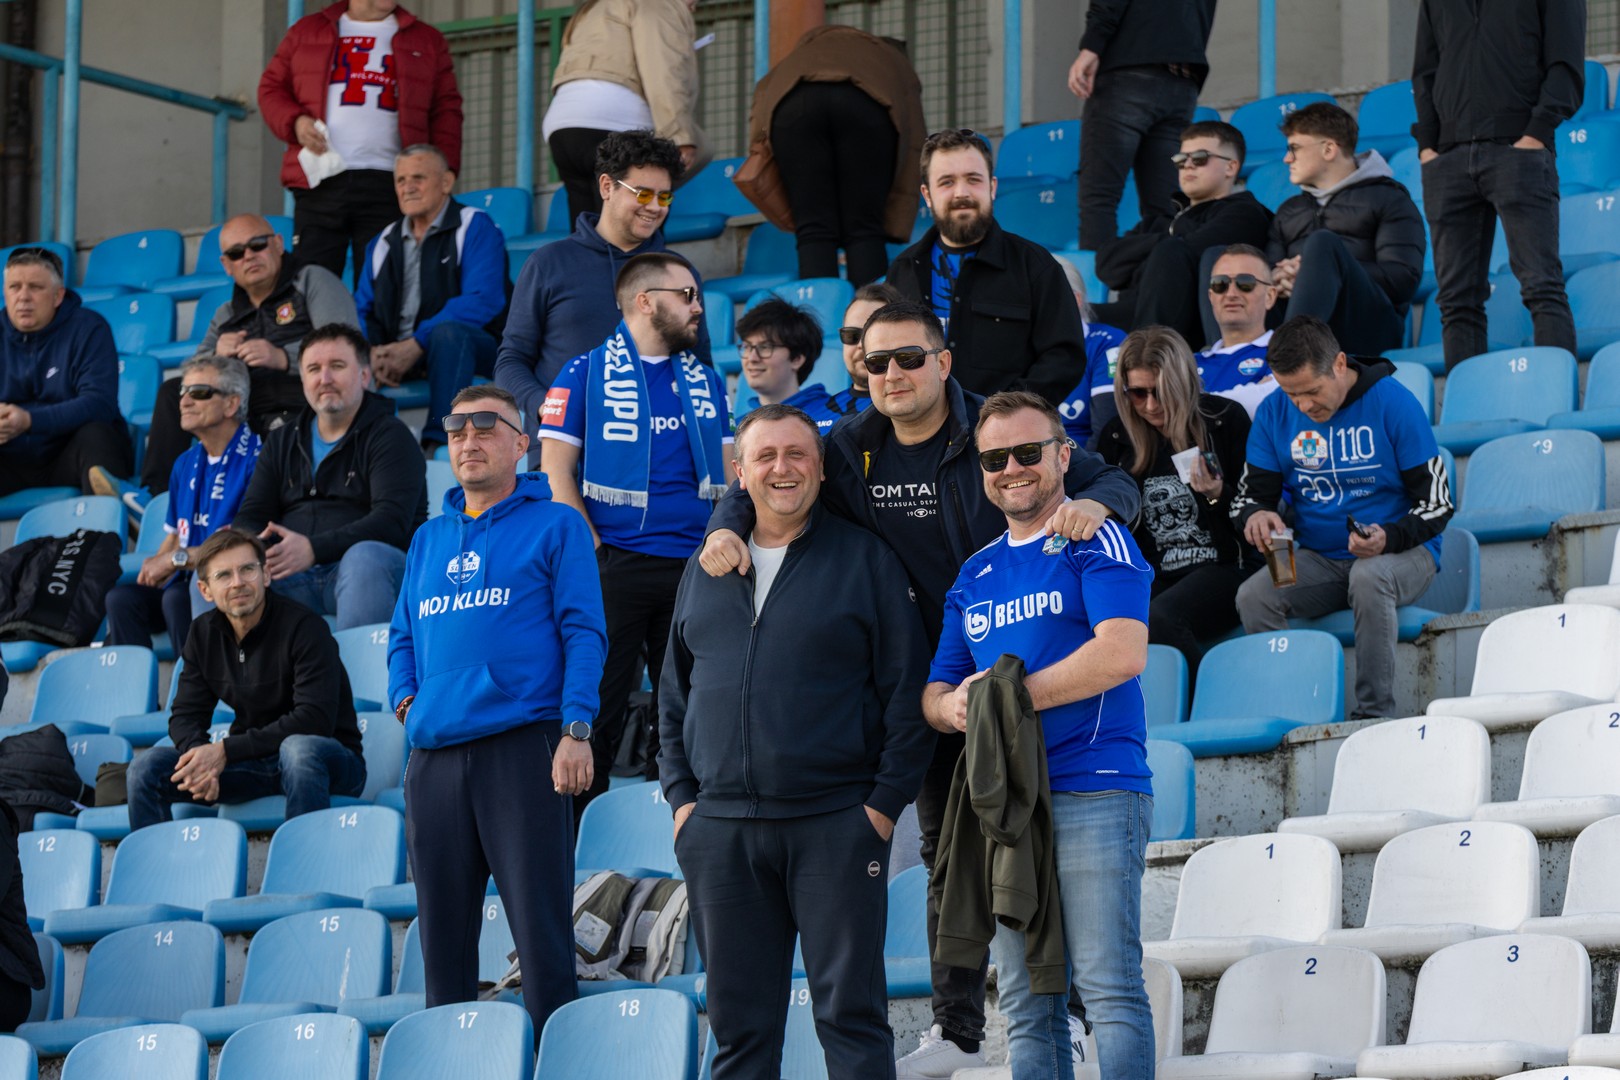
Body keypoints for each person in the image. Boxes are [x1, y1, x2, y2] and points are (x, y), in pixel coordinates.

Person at [698, 300, 1141, 1079]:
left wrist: (1098, 506)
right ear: (859, 371)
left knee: (1082, 945)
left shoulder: (995, 433)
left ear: (944, 361)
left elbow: (1100, 477)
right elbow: (770, 465)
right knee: (948, 858)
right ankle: (959, 1024)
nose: (894, 374)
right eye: (877, 362)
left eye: (910, 358)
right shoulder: (849, 447)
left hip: (1026, 669)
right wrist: (726, 524)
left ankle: (1067, 1016)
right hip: (932, 673)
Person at [661, 404, 933, 1080]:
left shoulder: (865, 559)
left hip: (834, 824)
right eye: (765, 456)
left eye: (797, 454)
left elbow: (908, 692)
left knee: (851, 1019)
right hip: (721, 832)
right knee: (738, 1034)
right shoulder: (704, 566)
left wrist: (881, 807)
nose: (782, 468)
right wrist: (683, 802)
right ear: (739, 470)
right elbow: (673, 692)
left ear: (820, 467)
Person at [925, 390, 1154, 1080]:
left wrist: (1007, 699)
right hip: (1008, 806)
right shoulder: (975, 572)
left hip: (1094, 786)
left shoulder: (1096, 535)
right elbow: (936, 692)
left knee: (1108, 987)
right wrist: (958, 709)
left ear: (1062, 456)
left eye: (1028, 452)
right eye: (995, 458)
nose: (1011, 469)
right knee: (1026, 1003)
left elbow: (1122, 653)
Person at [389, 384, 606, 1041]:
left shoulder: (557, 525)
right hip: (434, 758)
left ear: (522, 444)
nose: (469, 440)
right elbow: (402, 637)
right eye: (457, 429)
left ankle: (556, 1059)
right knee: (443, 946)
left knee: (540, 937)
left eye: (487, 427)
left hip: (523, 748)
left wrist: (576, 728)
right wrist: (408, 703)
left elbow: (585, 633)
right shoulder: (428, 539)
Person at [538, 253, 732, 813]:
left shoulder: (706, 381)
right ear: (645, 302)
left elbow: (730, 478)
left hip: (693, 568)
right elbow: (555, 475)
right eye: (686, 295)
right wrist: (594, 554)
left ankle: (671, 829)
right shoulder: (583, 373)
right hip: (614, 566)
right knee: (596, 708)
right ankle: (579, 839)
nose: (698, 307)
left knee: (685, 715)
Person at [1232, 315, 1453, 720]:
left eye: (1312, 391)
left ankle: (1374, 714)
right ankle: (1293, 716)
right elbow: (1250, 497)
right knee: (1254, 595)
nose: (1303, 406)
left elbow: (1438, 503)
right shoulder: (1273, 412)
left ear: (1339, 364)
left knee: (1368, 576)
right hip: (1320, 557)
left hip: (1405, 552)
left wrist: (1388, 537)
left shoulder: (1394, 401)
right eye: (1291, 394)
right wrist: (1255, 514)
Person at [100, 214, 357, 514]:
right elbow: (193, 370)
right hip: (245, 409)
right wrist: (216, 355)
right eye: (236, 253)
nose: (248, 256)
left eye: (257, 245)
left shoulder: (312, 280)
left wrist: (282, 356)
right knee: (175, 392)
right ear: (226, 265)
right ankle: (155, 499)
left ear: (278, 244)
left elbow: (347, 344)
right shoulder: (227, 313)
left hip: (303, 399)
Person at [495, 130, 713, 468]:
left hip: (659, 456)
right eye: (643, 193)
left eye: (664, 197)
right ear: (607, 186)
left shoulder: (680, 273)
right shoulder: (548, 263)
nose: (655, 207)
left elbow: (700, 365)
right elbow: (511, 360)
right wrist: (546, 405)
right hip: (565, 452)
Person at [126, 527, 367, 831]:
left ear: (265, 575)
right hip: (252, 763)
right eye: (224, 575)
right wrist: (200, 759)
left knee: (298, 750)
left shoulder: (306, 627)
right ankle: (154, 861)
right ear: (205, 590)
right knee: (145, 768)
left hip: (327, 760)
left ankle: (305, 858)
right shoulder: (203, 634)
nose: (237, 582)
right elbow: (185, 715)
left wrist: (225, 751)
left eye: (247, 570)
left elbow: (313, 720)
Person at [1413, 1, 1584, 371]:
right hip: (1446, 157)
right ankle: (1466, 400)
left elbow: (1566, 66)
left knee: (1541, 286)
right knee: (1456, 300)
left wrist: (1536, 133)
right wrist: (1427, 145)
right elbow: (1425, 72)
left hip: (1518, 150)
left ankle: (1555, 392)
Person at [232, 324, 426, 630]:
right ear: (303, 381)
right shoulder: (281, 440)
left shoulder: (391, 435)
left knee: (363, 559)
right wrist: (255, 551)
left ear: (364, 376)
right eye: (313, 369)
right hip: (291, 576)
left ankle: (365, 663)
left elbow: (391, 522)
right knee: (224, 573)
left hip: (374, 570)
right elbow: (251, 515)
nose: (324, 379)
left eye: (337, 366)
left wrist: (313, 549)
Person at [259, 0, 463, 278]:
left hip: (392, 182)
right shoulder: (306, 31)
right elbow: (271, 89)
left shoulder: (427, 39)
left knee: (383, 281)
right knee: (313, 281)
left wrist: (445, 169)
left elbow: (446, 110)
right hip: (321, 179)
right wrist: (296, 122)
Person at [885, 130, 1088, 406]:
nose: (962, 193)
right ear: (927, 194)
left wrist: (1004, 411)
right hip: (921, 427)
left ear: (992, 187)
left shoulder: (1036, 266)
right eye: (946, 182)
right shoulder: (903, 270)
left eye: (973, 179)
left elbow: (1064, 359)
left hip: (1006, 429)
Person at [1095, 328, 1252, 678]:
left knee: (1160, 617)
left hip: (1226, 565)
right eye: (1138, 393)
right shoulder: (1117, 438)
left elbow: (1256, 511)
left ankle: (1210, 697)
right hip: (1155, 573)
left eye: (1161, 392)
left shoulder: (1224, 420)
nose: (1151, 406)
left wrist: (1217, 494)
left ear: (1183, 384)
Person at [742, 25, 925, 285]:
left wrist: (758, 148)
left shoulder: (800, 55)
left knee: (813, 230)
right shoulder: (890, 60)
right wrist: (898, 216)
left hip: (793, 106)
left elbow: (762, 103)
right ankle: (872, 309)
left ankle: (820, 310)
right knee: (864, 229)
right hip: (867, 104)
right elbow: (915, 137)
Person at [104, 356, 262, 655]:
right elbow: (176, 535)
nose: (185, 401)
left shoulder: (258, 459)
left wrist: (172, 560)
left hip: (230, 583)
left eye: (199, 392)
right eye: (183, 392)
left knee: (177, 598)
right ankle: (130, 684)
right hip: (186, 579)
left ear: (231, 404)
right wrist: (154, 569)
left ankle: (195, 682)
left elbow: (244, 549)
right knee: (122, 599)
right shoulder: (184, 463)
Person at [354, 145, 509, 447]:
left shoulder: (474, 225)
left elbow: (483, 298)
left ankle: (439, 441)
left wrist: (417, 343)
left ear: (446, 182)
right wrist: (373, 352)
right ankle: (361, 445)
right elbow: (362, 309)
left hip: (473, 349)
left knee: (448, 334)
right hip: (400, 355)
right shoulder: (382, 241)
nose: (408, 187)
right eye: (401, 180)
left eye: (419, 178)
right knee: (342, 350)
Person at [1266, 103, 1426, 357]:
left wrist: (1321, 270)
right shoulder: (1289, 211)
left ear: (1329, 149)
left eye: (1294, 148)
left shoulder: (1389, 198)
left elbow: (1402, 279)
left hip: (1368, 328)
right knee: (1230, 268)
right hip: (1293, 318)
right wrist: (1279, 277)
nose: (1287, 159)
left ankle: (1293, 358)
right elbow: (1269, 271)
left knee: (1322, 245)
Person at [1094, 120, 1272, 344]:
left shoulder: (1244, 213)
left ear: (1231, 167)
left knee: (1171, 251)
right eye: (1181, 160)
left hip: (1185, 329)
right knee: (1068, 310)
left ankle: (1145, 357)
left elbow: (1188, 253)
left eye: (1200, 158)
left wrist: (1153, 251)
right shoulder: (1159, 220)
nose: (1188, 165)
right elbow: (1108, 265)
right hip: (1131, 313)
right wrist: (1170, 238)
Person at [1068, 0, 1218, 251]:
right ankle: (1161, 275)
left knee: (1099, 198)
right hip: (1184, 77)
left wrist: (1091, 46)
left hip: (1130, 69)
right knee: (1165, 207)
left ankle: (1098, 277)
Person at [543, 0, 711, 223]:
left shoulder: (594, 7)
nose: (694, 6)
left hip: (562, 128)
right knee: (637, 230)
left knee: (587, 232)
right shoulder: (658, 4)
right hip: (614, 121)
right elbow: (663, 72)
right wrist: (680, 137)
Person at [0, 246, 129, 497]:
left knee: (97, 434)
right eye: (14, 287)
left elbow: (99, 403)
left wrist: (29, 421)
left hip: (69, 451)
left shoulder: (89, 327)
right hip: (10, 457)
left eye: (35, 287)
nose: (23, 297)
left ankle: (107, 520)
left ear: (58, 296)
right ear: (5, 292)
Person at [1195, 243, 1280, 417]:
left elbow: (1273, 401)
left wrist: (1194, 403)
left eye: (1245, 283)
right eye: (1220, 284)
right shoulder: (1189, 362)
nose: (1231, 293)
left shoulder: (1288, 352)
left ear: (1270, 296)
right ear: (1211, 297)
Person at [735, 299, 841, 431]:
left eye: (765, 347)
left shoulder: (834, 417)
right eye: (746, 347)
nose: (752, 358)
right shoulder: (736, 429)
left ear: (797, 359)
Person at [1053, 259, 1125, 450]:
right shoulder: (1018, 346)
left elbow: (1106, 430)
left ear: (1075, 300)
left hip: (1082, 458)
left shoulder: (1107, 342)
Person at [825, 282, 901, 423]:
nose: (861, 345)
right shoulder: (812, 413)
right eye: (852, 335)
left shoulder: (911, 410)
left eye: (874, 335)